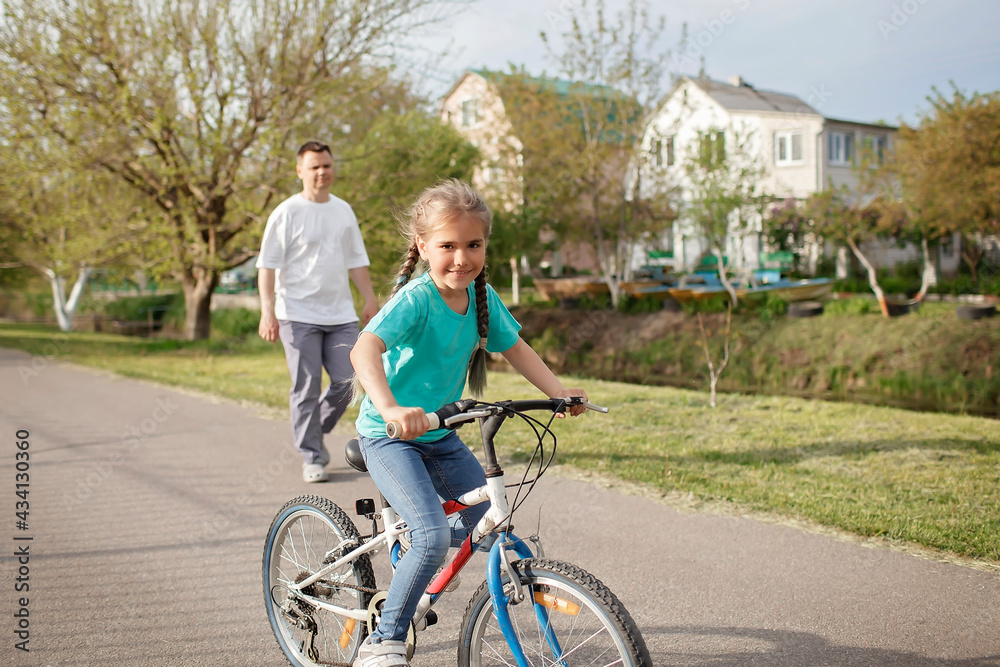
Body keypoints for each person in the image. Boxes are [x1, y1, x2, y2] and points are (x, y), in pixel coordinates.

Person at [349, 179, 588, 667]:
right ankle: (383, 639)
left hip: (441, 432)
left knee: (487, 522)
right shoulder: (417, 299)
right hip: (390, 437)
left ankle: (418, 559)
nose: (462, 258)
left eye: (473, 245)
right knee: (433, 535)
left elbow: (515, 347)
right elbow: (363, 349)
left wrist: (558, 392)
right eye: (448, 246)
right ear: (422, 247)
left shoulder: (482, 296)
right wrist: (392, 409)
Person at [257, 140, 378, 483]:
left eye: (326, 165)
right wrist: (267, 311)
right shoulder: (286, 212)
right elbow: (267, 266)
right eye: (314, 167)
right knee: (306, 387)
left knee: (350, 380)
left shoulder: (343, 210)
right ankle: (312, 455)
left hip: (340, 314)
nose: (322, 172)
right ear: (300, 171)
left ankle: (312, 431)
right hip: (296, 314)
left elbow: (356, 260)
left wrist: (369, 299)